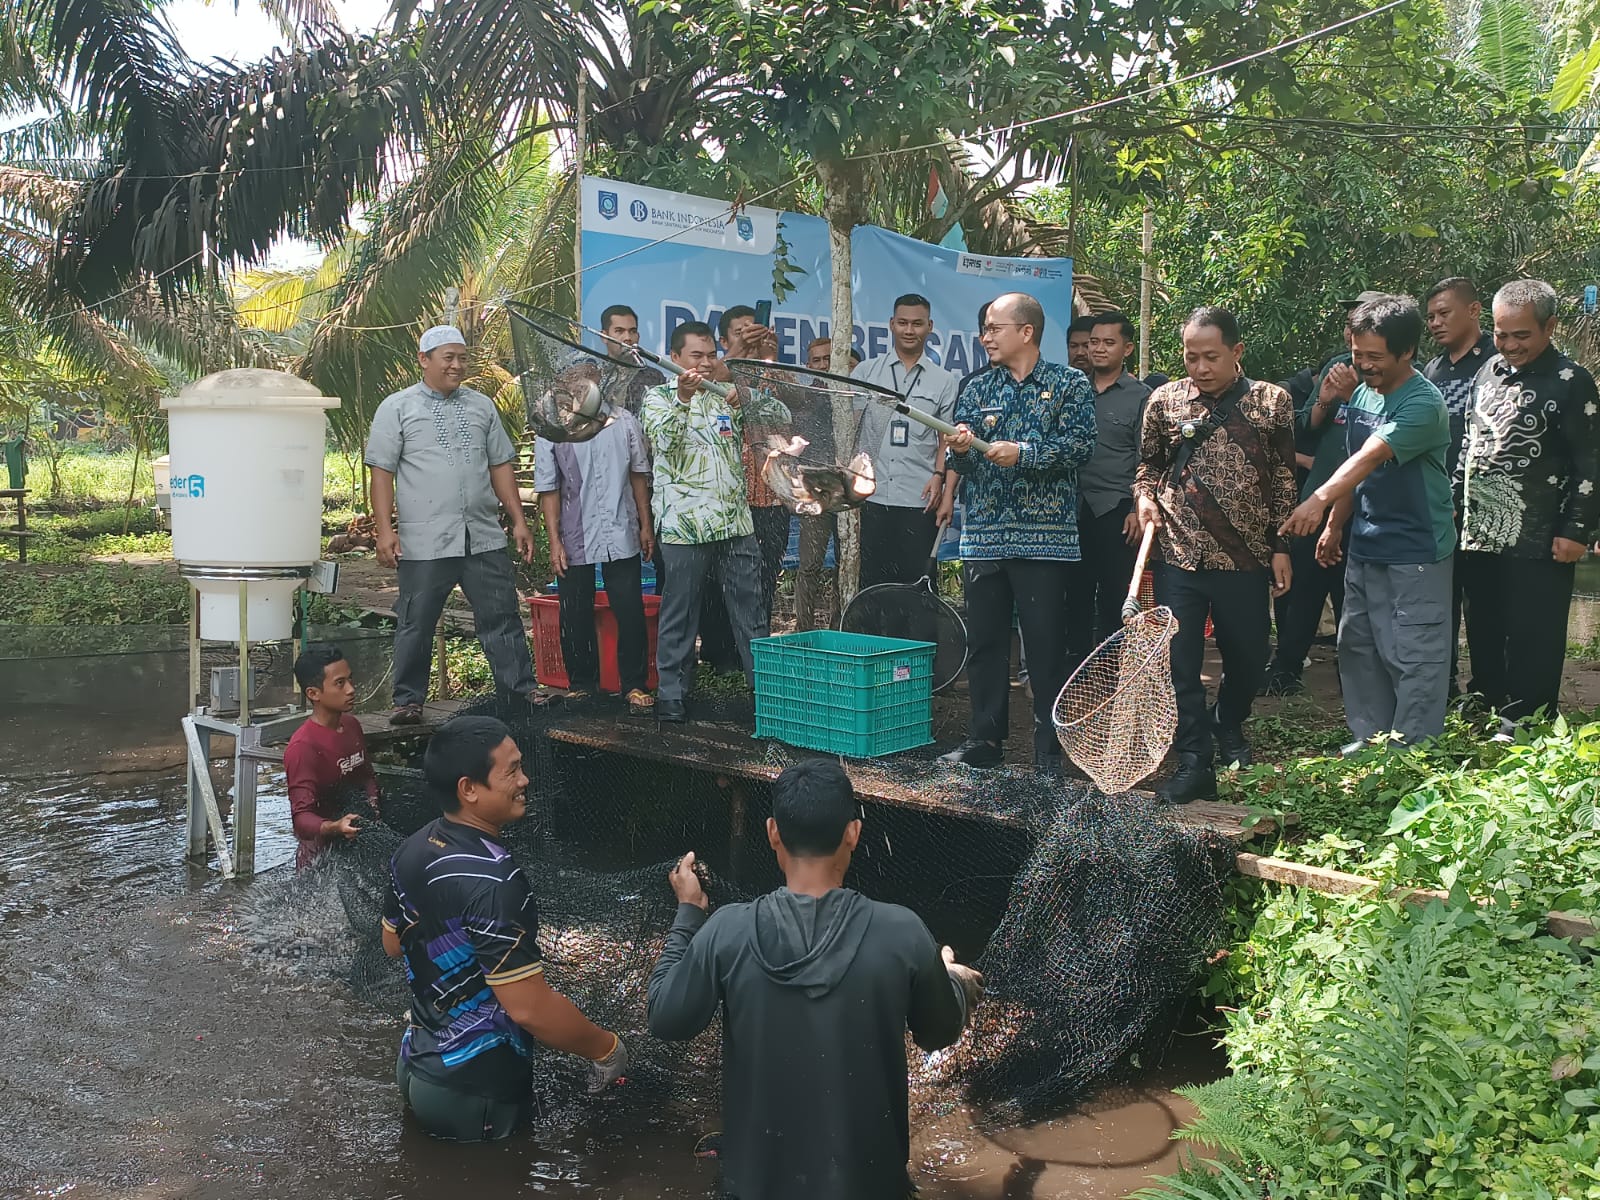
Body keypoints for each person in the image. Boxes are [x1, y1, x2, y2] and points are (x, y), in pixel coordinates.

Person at [647, 759, 982, 1200]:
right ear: (853, 833)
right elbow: (938, 1031)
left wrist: (689, 914)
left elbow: (666, 1017)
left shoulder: (727, 932)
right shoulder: (902, 933)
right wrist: (953, 978)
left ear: (772, 833)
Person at [383, 716, 628, 1141]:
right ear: (469, 789)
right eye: (511, 770)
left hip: (416, 1064)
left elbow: (392, 943)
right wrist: (605, 1048)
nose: (525, 779)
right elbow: (529, 1009)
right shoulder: (496, 880)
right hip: (475, 1088)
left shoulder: (414, 846)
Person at [1135, 307, 1295, 802]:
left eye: (1211, 357)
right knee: (1179, 662)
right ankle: (1193, 760)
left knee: (1249, 657)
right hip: (1179, 555)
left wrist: (1281, 546)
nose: (1200, 368)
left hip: (1245, 559)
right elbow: (1149, 466)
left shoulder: (1272, 402)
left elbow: (1286, 478)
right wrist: (1143, 498)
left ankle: (1229, 722)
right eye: (1190, 357)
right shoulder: (1164, 401)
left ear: (1236, 352)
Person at [1281, 295, 1455, 750]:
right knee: (1358, 646)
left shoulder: (1421, 404)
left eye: (1374, 357)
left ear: (1407, 351)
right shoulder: (1361, 392)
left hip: (1416, 549)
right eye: (1358, 355)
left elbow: (1370, 456)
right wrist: (1336, 526)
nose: (1363, 365)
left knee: (1412, 653)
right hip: (1366, 543)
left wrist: (1316, 502)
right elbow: (1356, 469)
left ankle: (1413, 749)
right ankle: (1371, 739)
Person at [939, 292, 1096, 769]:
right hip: (983, 536)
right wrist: (961, 448)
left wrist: (1023, 453)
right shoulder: (977, 387)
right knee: (985, 642)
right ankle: (984, 740)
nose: (985, 336)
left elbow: (1081, 447)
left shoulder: (1069, 383)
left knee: (1045, 644)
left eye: (994, 327)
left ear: (1026, 332)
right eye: (984, 328)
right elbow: (956, 460)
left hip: (1044, 540)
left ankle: (1051, 748)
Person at [366, 326, 541, 726]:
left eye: (462, 357)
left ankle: (520, 692)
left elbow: (500, 465)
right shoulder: (396, 407)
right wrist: (385, 531)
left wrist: (517, 519)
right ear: (424, 359)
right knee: (416, 620)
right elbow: (381, 473)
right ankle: (408, 701)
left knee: (501, 616)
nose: (457, 365)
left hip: (482, 535)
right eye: (448, 357)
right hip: (425, 539)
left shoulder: (481, 406)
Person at [1456, 279, 1599, 731]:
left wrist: (1577, 528)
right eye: (1501, 334)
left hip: (1542, 534)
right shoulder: (1486, 372)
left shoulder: (1572, 382)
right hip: (1480, 529)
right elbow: (1469, 442)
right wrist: (1456, 502)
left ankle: (1529, 715)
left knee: (1534, 629)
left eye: (1522, 335)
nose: (1510, 345)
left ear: (1550, 326)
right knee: (1484, 622)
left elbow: (1590, 461)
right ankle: (1487, 700)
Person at [639, 322, 788, 723]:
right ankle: (672, 695)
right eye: (695, 356)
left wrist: (745, 394)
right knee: (680, 614)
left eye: (709, 355)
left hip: (736, 525)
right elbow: (665, 441)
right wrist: (685, 400)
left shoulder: (727, 395)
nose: (704, 364)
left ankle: (767, 695)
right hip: (684, 529)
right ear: (675, 358)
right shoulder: (657, 398)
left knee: (752, 613)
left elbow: (782, 414)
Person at [1261, 310, 1368, 696]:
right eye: (1350, 328)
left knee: (1349, 597)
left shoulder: (1402, 375)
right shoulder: (1337, 366)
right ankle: (1286, 668)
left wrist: (1354, 395)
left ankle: (1353, 679)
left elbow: (1381, 428)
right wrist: (1324, 400)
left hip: (1364, 505)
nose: (1352, 336)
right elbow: (1305, 425)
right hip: (1317, 500)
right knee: (1300, 589)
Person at [534, 384, 656, 712]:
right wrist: (555, 540)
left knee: (629, 609)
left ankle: (633, 683)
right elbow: (549, 488)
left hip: (622, 529)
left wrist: (646, 524)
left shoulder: (623, 421)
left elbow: (638, 475)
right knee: (574, 611)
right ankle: (583, 685)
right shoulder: (551, 427)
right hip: (575, 534)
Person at [851, 294, 960, 587]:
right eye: (902, 323)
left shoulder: (944, 381)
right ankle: (875, 635)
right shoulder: (866, 372)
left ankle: (917, 635)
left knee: (917, 584)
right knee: (873, 583)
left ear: (930, 327)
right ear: (891, 325)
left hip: (920, 498)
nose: (909, 330)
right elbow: (850, 429)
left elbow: (946, 439)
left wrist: (940, 476)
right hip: (872, 497)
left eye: (917, 324)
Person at [1421, 277, 1496, 696]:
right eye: (1430, 316)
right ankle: (1441, 685)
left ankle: (1487, 690)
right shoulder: (1432, 370)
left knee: (1484, 603)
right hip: (1437, 506)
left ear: (1474, 311)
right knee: (1439, 601)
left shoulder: (1497, 364)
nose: (1435, 323)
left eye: (1443, 313)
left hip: (1482, 506)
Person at [1067, 311, 1150, 666]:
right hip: (1069, 510)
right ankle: (1076, 672)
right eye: (1093, 342)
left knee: (1116, 595)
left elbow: (1148, 457)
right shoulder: (1071, 389)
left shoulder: (1142, 397)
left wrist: (1136, 507)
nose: (1098, 350)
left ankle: (1114, 671)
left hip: (1116, 511)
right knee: (1073, 596)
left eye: (1108, 343)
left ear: (1127, 348)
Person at [285, 645, 378, 870]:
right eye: (340, 683)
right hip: (321, 861)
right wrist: (336, 826)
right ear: (313, 694)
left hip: (359, 842)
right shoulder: (302, 747)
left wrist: (373, 802)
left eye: (350, 680)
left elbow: (367, 776)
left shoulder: (351, 725)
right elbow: (301, 820)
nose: (351, 689)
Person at [791, 336, 847, 631]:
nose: (823, 365)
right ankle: (804, 630)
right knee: (809, 565)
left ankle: (840, 626)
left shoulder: (849, 395)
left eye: (829, 359)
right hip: (814, 492)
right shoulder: (802, 398)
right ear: (808, 365)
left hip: (850, 494)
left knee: (845, 565)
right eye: (817, 360)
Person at [598, 303, 666, 415]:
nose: (628, 338)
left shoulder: (654, 377)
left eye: (632, 331)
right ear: (604, 336)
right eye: (619, 331)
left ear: (638, 336)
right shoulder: (595, 374)